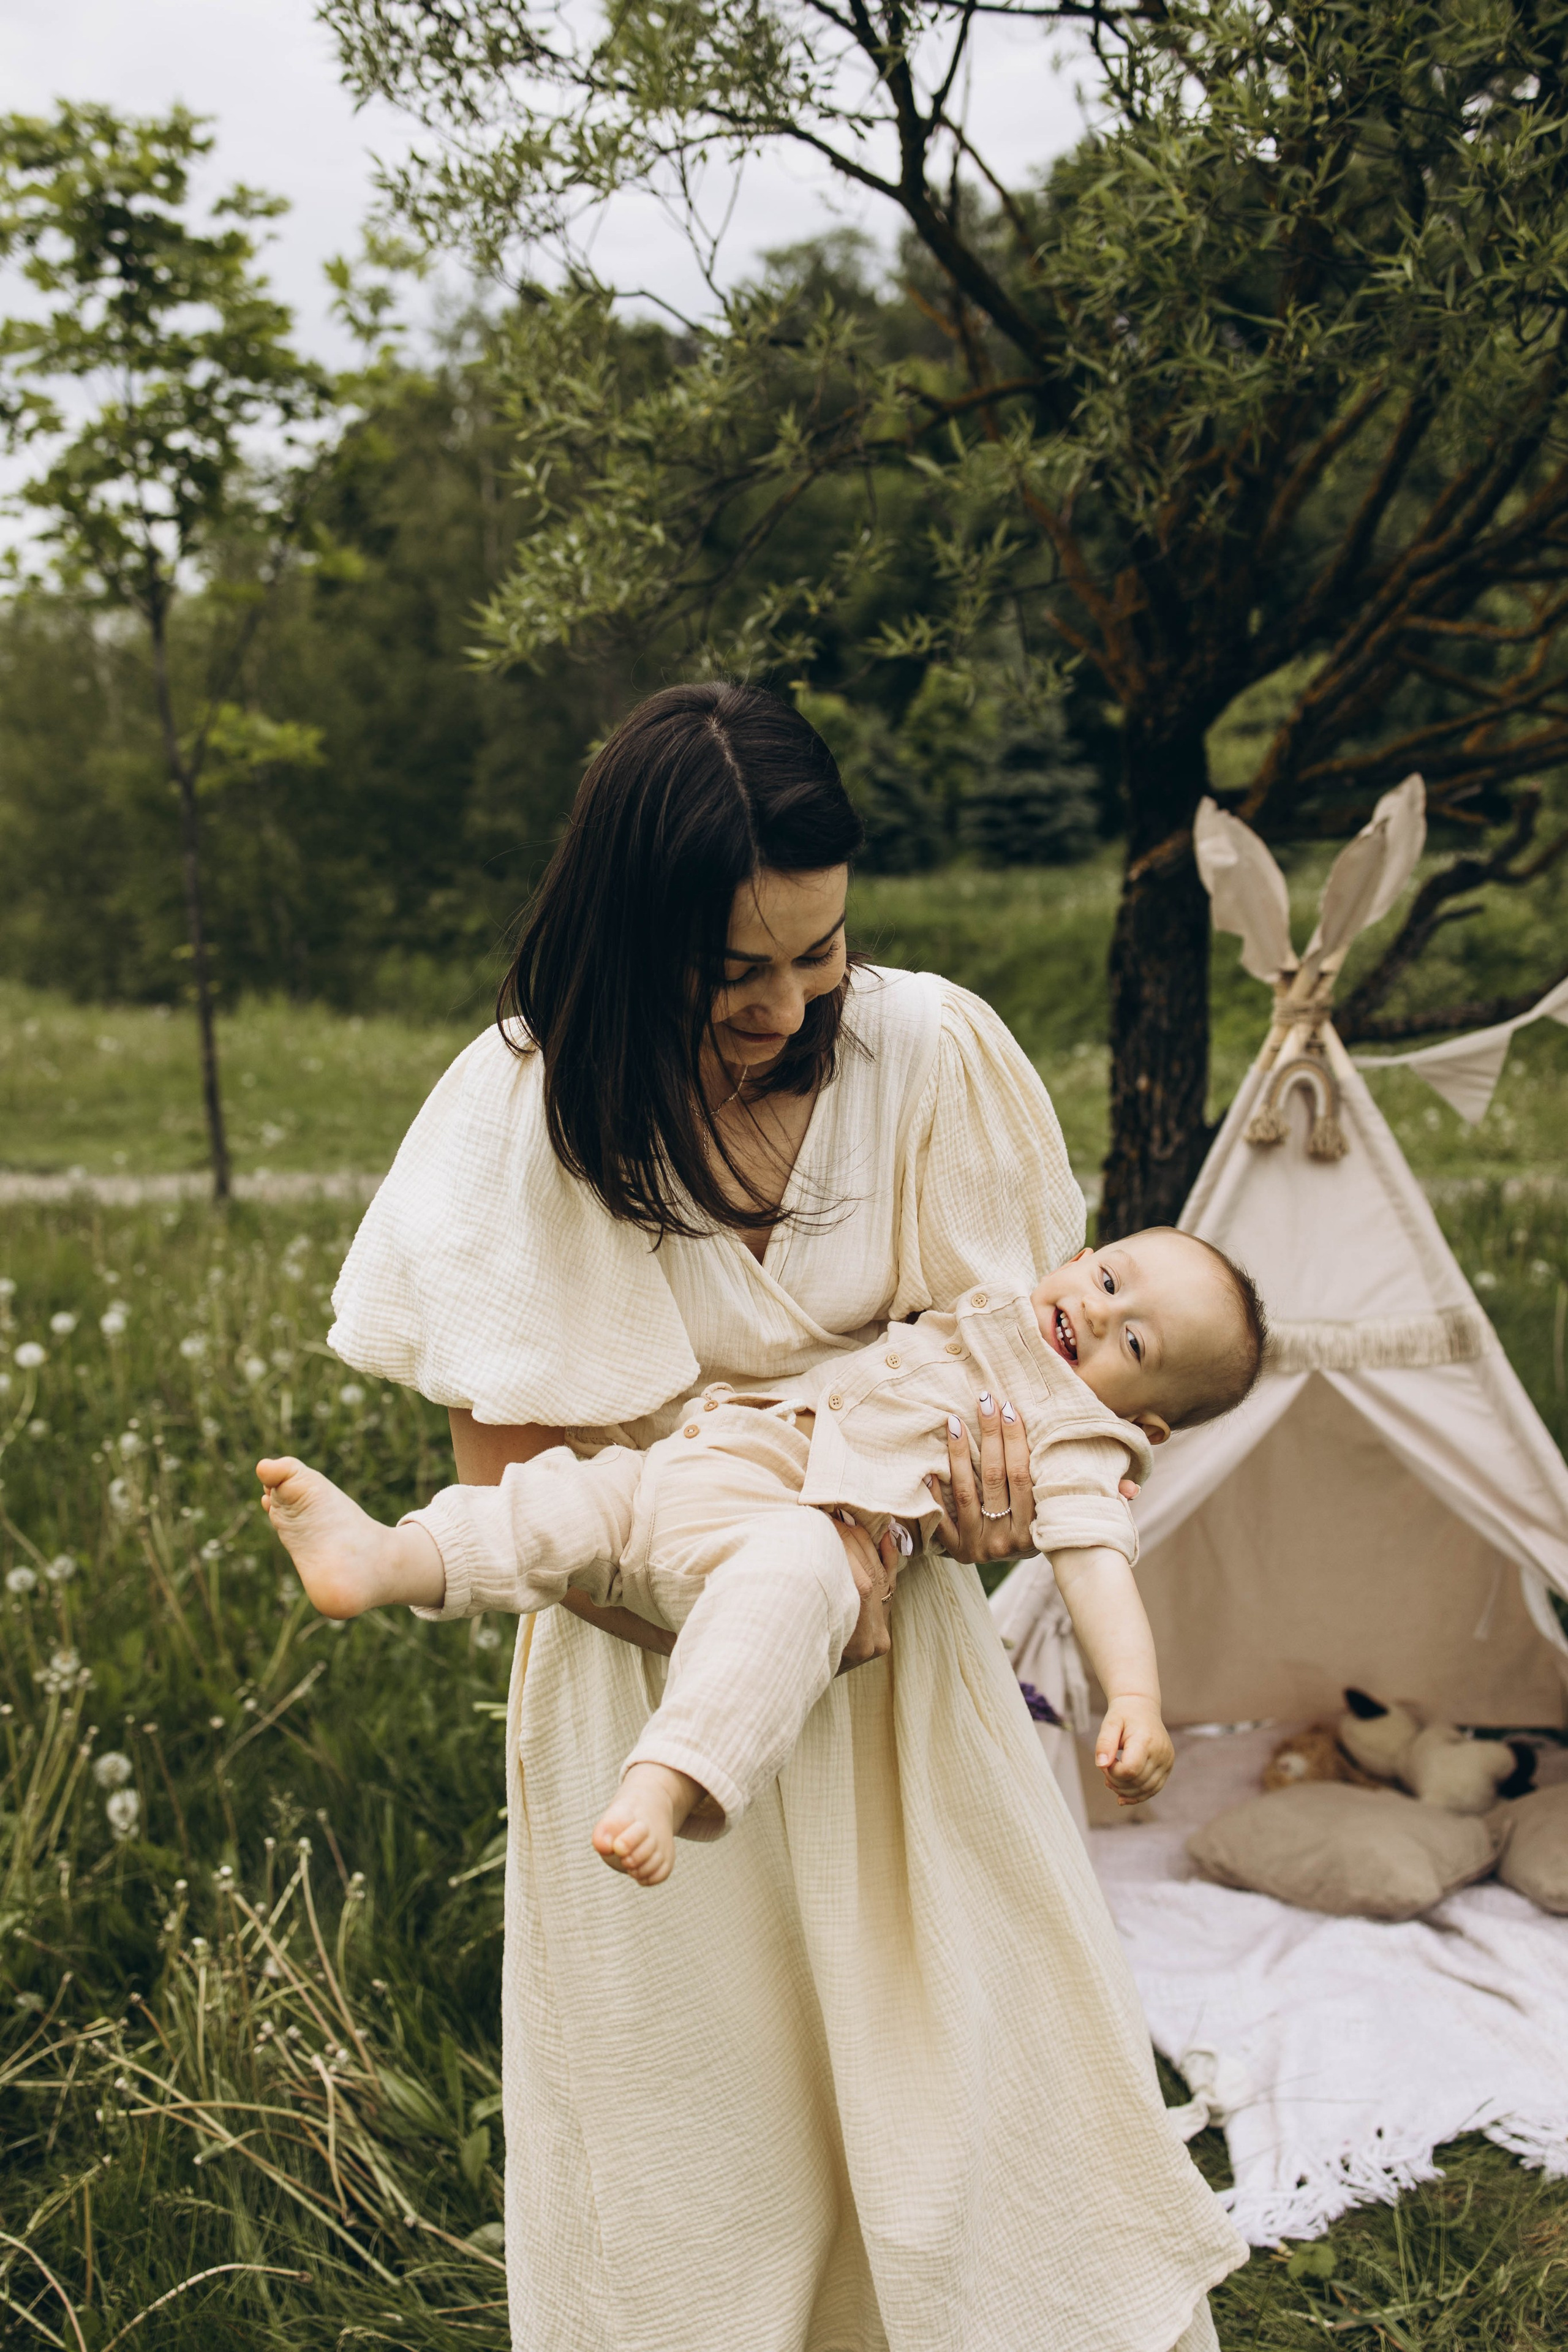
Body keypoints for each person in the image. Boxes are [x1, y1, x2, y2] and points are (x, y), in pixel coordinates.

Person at [323, 680, 1248, 2352]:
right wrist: (759, 1610)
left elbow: (1022, 1389)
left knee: (968, 2122)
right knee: (706, 2169)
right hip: (646, 1688)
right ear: (629, 936)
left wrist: (972, 1520)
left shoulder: (930, 1054)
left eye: (816, 951)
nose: (784, 1001)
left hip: (905, 1707)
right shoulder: (525, 1108)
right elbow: (512, 1483)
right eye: (731, 967)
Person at [260, 1226, 1267, 1887]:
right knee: (560, 1505)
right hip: (702, 1459)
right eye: (1108, 1279)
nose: (1099, 1314)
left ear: (1145, 1424)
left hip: (803, 1525)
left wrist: (1134, 1697)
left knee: (786, 1592)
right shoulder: (995, 1294)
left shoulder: (1079, 1437)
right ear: (1083, 1253)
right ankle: (385, 1559)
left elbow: (1095, 1563)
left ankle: (670, 1775)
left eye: (1136, 1347)